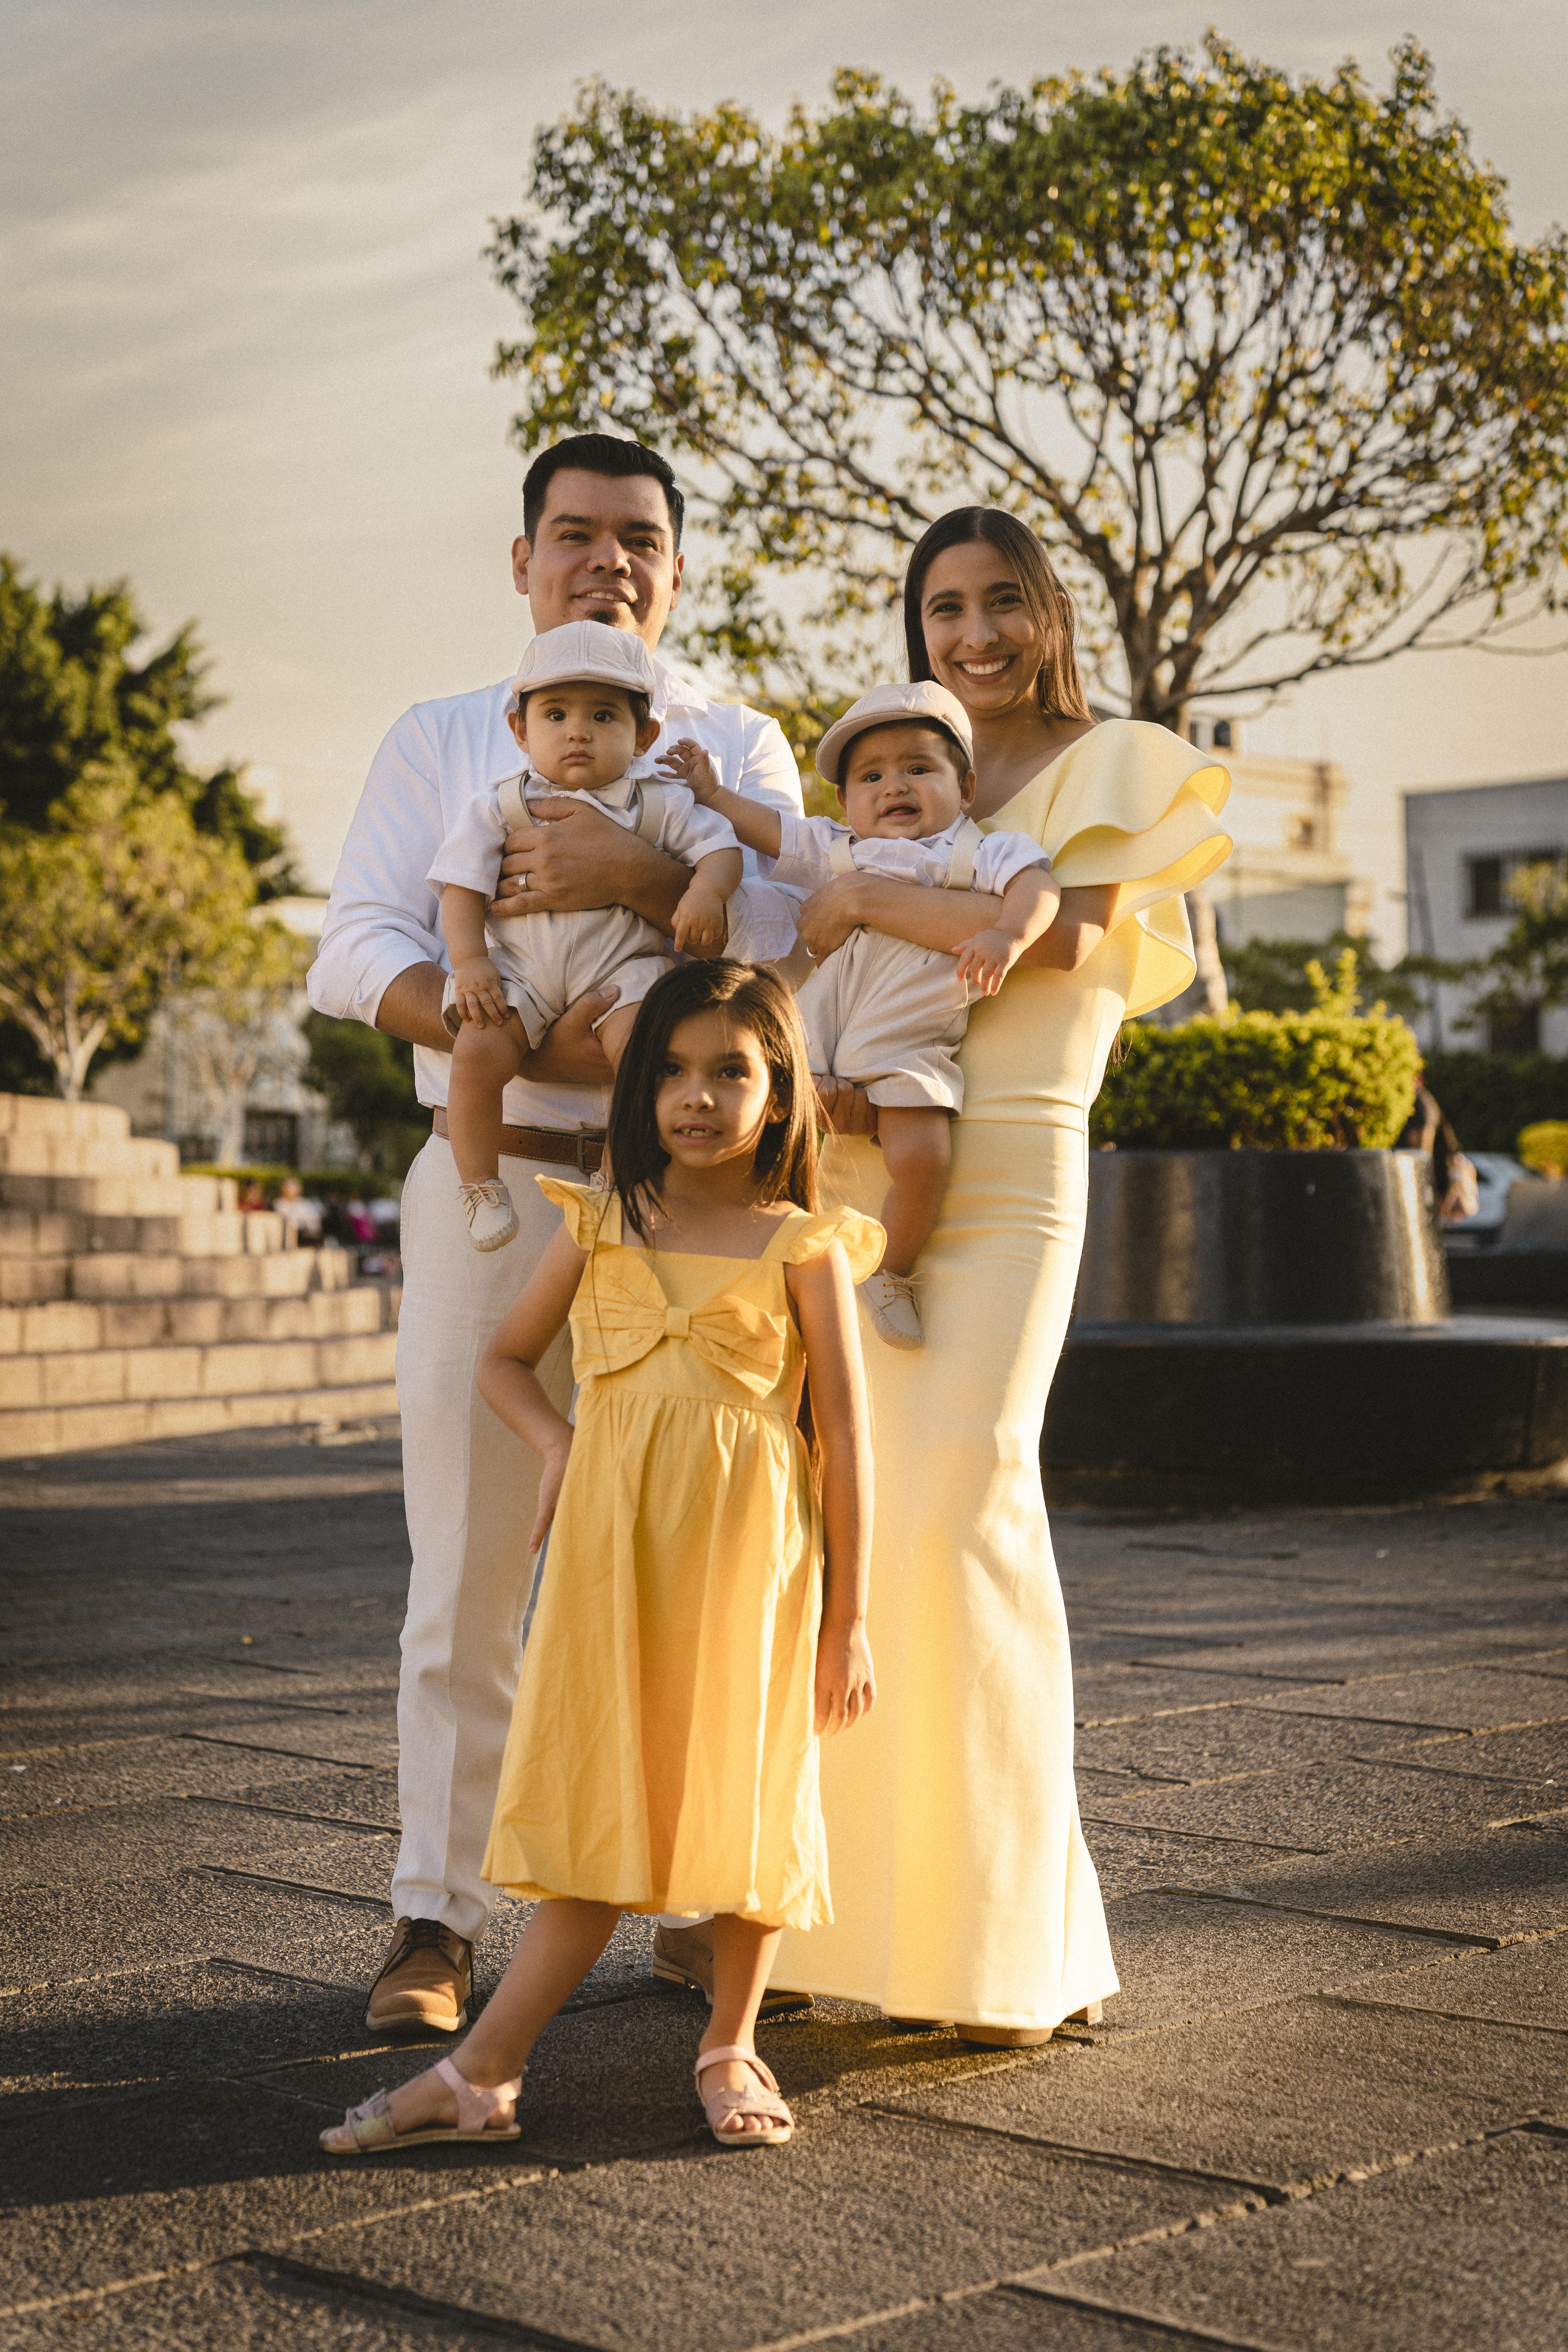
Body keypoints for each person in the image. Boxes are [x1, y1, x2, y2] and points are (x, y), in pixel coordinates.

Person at [307, 434, 807, 2038]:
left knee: (698, 1555)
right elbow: (356, 942)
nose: (607, 560)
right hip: (499, 1172)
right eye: (575, 534)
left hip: (692, 1215)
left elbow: (792, 947)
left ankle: (683, 1886)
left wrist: (642, 866)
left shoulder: (732, 739)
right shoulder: (446, 735)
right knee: (468, 1562)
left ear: (679, 568)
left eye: (639, 539)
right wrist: (494, 1035)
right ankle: (434, 1917)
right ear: (518, 559)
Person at [765, 507, 1232, 2042]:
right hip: (864, 1159)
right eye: (942, 607)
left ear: (1047, 609)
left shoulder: (1117, 757)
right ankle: (831, 1930)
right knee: (856, 1523)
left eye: (998, 602)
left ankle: (1001, 1947)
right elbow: (807, 935)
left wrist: (860, 898)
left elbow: (1060, 943)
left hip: (1018, 1160)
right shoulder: (903, 769)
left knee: (968, 1494)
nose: (970, 632)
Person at [319, 962, 880, 2157]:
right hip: (609, 1564)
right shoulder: (604, 1216)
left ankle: (727, 2041)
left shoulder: (804, 1243)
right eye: (672, 1068)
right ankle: (487, 2066)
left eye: (732, 1069)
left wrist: (850, 1615)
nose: (697, 1093)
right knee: (597, 1801)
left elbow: (844, 1435)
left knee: (749, 1788)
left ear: (781, 1091)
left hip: (749, 1564)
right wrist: (561, 1439)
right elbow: (505, 1360)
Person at [670, 679, 1058, 1346]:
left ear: (964, 787)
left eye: (918, 768)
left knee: (923, 1156)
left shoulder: (976, 853)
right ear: (846, 802)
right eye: (870, 777)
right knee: (765, 1133)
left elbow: (1038, 885)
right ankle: (742, 1259)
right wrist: (710, 794)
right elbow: (771, 831)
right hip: (818, 1028)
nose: (893, 787)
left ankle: (893, 1272)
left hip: (906, 1038)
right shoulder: (837, 849)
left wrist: (1007, 935)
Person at [433, 623, 741, 1250]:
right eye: (556, 714)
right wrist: (469, 963)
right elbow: (460, 887)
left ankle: (617, 1178)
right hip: (521, 971)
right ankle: (479, 1186)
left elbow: (723, 851)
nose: (578, 731)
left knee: (642, 1058)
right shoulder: (500, 806)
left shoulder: (658, 805)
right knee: (476, 1052)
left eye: (604, 716)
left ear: (644, 735)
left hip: (622, 972)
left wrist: (706, 891)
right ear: (520, 730)